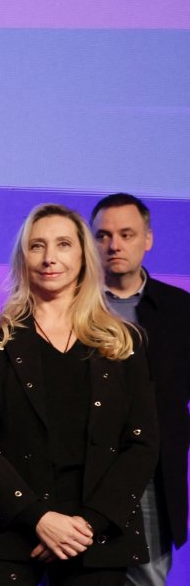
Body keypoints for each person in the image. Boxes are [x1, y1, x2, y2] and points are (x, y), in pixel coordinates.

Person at [0, 204, 158, 586]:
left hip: (95, 537)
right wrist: (39, 519)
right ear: (22, 257)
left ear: (83, 255)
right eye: (37, 246)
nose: (50, 258)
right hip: (5, 535)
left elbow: (141, 445)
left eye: (63, 244)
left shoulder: (121, 343)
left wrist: (85, 524)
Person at [91, 193, 190, 586]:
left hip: (153, 473)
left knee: (147, 578)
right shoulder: (69, 307)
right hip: (80, 472)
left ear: (147, 239)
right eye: (103, 235)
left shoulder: (180, 309)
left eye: (126, 234)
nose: (115, 245)